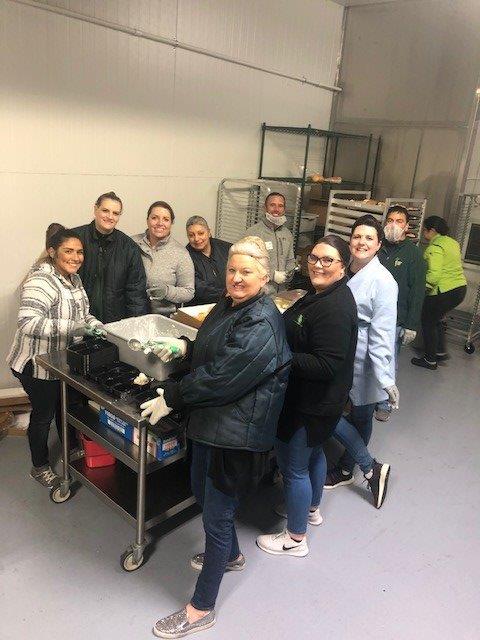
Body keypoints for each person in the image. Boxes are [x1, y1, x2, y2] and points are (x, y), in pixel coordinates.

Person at [140, 236, 291, 639]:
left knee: (218, 514)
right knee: (202, 494)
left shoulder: (261, 321)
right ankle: (232, 557)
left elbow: (224, 377)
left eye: (246, 272)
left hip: (237, 432)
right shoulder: (229, 304)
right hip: (212, 422)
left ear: (264, 277)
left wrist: (173, 396)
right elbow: (214, 350)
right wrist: (183, 347)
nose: (237, 278)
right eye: (232, 270)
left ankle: (200, 609)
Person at [256, 235, 358, 558]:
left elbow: (326, 364)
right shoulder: (323, 294)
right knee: (314, 455)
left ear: (343, 267)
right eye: (314, 258)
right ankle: (310, 509)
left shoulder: (334, 308)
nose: (318, 265)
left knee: (294, 467)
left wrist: (280, 356)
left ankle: (295, 538)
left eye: (328, 260)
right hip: (323, 402)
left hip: (311, 403)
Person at [7, 229, 104, 488]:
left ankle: (70, 449)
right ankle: (39, 467)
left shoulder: (74, 279)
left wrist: (96, 325)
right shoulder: (41, 281)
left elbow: (84, 314)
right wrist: (74, 327)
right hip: (35, 364)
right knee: (44, 415)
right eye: (68, 251)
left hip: (60, 363)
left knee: (65, 406)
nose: (76, 257)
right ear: (52, 252)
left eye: (79, 252)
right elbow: (28, 323)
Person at [325, 216, 398, 509]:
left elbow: (383, 334)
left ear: (379, 245)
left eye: (369, 238)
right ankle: (366, 467)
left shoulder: (384, 281)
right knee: (335, 411)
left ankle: (349, 468)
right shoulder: (344, 269)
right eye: (357, 236)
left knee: (359, 415)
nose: (362, 242)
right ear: (350, 239)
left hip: (364, 359)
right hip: (338, 351)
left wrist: (386, 378)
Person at [375, 205, 426, 420]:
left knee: (388, 361)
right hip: (372, 315)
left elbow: (417, 291)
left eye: (399, 221)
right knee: (366, 359)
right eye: (390, 220)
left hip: (396, 319)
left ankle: (384, 403)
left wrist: (411, 325)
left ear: (406, 226)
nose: (394, 225)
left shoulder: (413, 254)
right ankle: (363, 397)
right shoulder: (377, 247)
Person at [73, 191, 148, 323]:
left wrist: (136, 325)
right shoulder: (74, 239)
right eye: (105, 210)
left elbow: (136, 293)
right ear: (95, 209)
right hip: (77, 322)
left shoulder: (129, 247)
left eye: (115, 213)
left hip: (114, 324)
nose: (110, 216)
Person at [411, 216, 467, 369]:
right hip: (460, 288)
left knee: (428, 321)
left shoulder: (435, 248)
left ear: (432, 230)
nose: (423, 233)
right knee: (437, 319)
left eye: (425, 230)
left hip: (444, 290)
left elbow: (434, 276)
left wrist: (421, 289)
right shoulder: (452, 243)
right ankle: (440, 351)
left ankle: (430, 360)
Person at [132, 201, 194, 314]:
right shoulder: (131, 243)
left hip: (164, 317)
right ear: (147, 220)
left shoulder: (181, 253)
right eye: (154, 218)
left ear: (171, 223)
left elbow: (189, 292)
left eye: (166, 219)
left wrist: (167, 291)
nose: (160, 223)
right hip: (131, 315)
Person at [245, 192, 295, 294]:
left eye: (280, 206)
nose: (276, 209)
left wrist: (289, 274)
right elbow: (247, 263)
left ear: (284, 209)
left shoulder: (287, 234)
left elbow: (290, 260)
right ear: (265, 208)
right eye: (272, 205)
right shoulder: (253, 233)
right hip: (260, 293)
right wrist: (272, 275)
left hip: (282, 292)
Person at [185, 216, 231, 305]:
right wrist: (225, 293)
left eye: (201, 233)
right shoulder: (184, 257)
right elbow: (198, 287)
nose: (196, 239)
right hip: (199, 307)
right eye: (191, 235)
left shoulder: (226, 248)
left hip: (229, 302)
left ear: (209, 232)